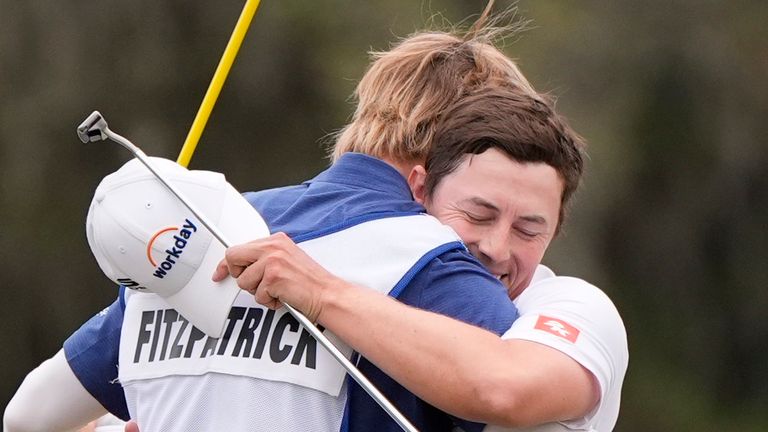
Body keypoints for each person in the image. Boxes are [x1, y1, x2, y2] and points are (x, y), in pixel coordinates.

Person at [4, 5, 544, 432]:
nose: (496, 244)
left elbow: (27, 415)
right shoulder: (431, 261)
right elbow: (544, 407)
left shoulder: (188, 232)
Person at [217, 87, 628, 431]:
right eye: (478, 215)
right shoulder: (391, 277)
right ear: (419, 189)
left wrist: (321, 291)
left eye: (528, 229)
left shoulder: (575, 306)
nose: (496, 248)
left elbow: (502, 389)